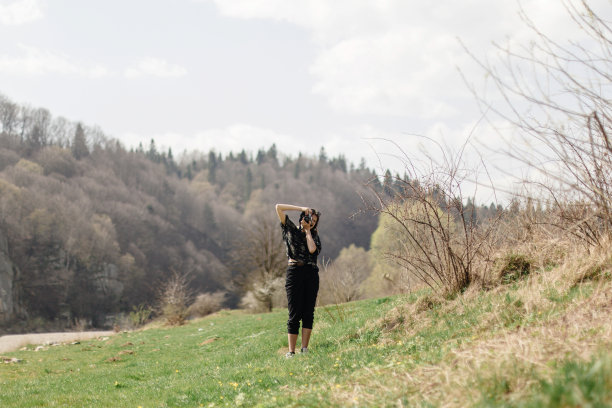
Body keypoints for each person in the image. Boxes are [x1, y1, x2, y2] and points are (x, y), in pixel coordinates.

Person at [275, 203, 321, 358]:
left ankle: (305, 349)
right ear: (303, 218)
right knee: (294, 313)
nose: (311, 221)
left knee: (308, 312)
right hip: (294, 272)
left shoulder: (314, 236)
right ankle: (291, 351)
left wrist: (308, 231)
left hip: (311, 273)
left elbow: (312, 250)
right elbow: (278, 207)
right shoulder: (289, 229)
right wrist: (301, 208)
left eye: (314, 220)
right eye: (309, 218)